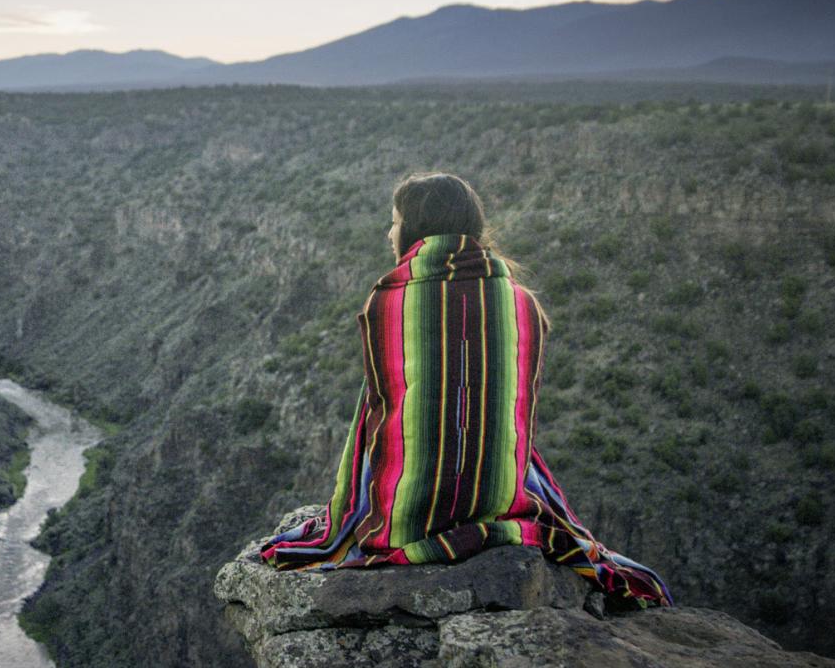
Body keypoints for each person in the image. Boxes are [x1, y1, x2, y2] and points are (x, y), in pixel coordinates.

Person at [258, 171, 674, 608]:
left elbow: (383, 409)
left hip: (404, 518)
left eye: (395, 221)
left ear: (416, 230)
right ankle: (481, 480)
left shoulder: (389, 300)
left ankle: (419, 489)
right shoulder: (522, 303)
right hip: (499, 497)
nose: (389, 232)